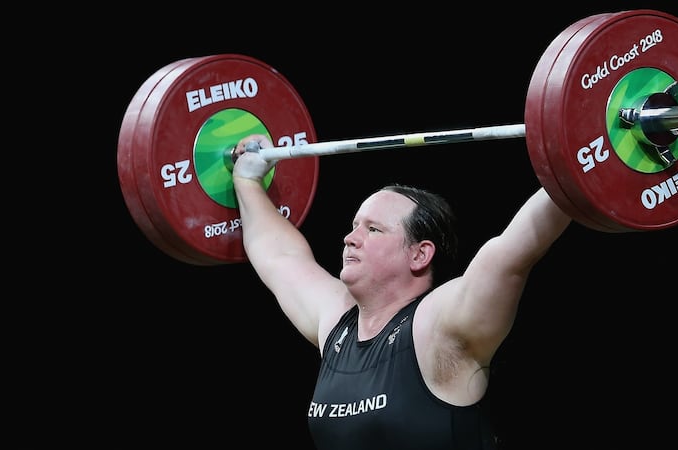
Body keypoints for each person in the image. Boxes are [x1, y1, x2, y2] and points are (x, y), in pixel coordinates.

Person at [231, 134, 572, 450]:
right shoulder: (336, 322)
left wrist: (579, 157)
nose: (351, 238)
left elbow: (514, 250)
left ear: (419, 254)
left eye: (374, 229)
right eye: (354, 227)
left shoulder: (438, 326)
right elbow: (278, 256)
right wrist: (247, 180)